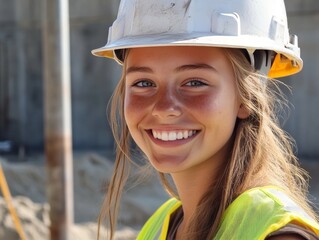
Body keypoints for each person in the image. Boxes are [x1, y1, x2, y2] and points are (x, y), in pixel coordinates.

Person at [92, 0, 319, 239]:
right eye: (144, 83)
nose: (164, 108)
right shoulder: (161, 224)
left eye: (194, 83)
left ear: (245, 98)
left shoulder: (279, 235)